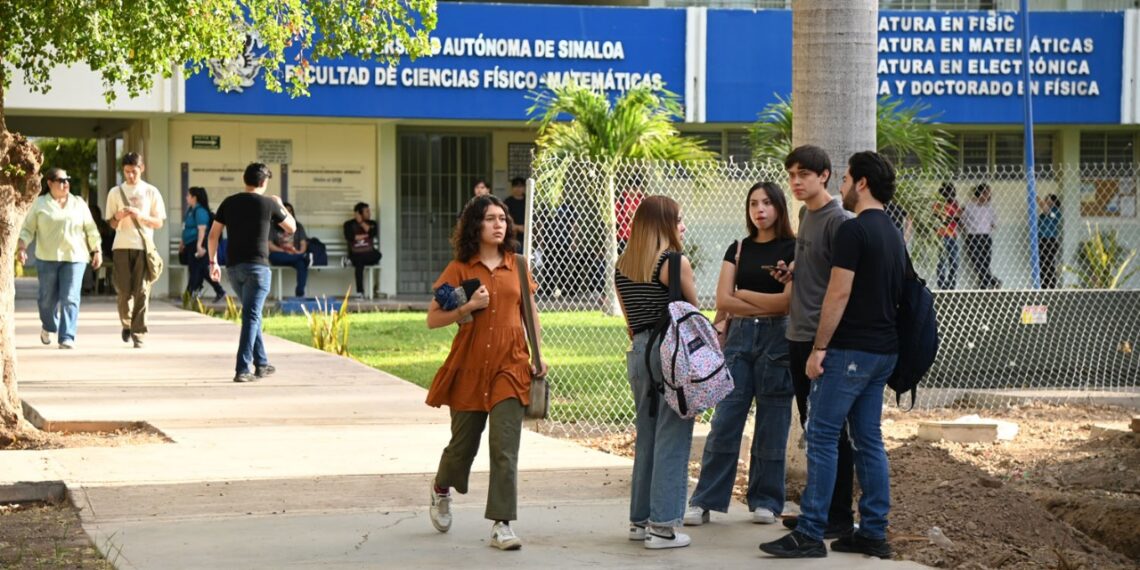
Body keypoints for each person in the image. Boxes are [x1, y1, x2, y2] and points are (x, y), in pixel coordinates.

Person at [760, 151, 905, 559]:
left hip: (849, 352)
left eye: (844, 179)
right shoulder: (892, 232)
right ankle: (873, 532)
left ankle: (810, 531)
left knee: (822, 435)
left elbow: (838, 293)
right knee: (868, 440)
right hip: (883, 351)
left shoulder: (852, 231)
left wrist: (819, 348)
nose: (841, 187)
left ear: (861, 183)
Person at [425, 194, 548, 551]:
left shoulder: (518, 264)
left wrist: (538, 354)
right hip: (469, 365)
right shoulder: (460, 269)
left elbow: (530, 312)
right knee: (462, 447)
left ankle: (502, 523)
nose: (500, 224)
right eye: (491, 218)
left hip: (510, 365)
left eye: (503, 219)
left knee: (504, 447)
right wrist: (469, 304)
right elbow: (433, 318)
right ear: (475, 225)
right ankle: (440, 487)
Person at [684, 182, 795, 527]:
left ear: (778, 206)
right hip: (740, 339)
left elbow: (786, 303)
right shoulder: (739, 249)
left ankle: (766, 500)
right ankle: (705, 500)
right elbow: (722, 300)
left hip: (779, 340)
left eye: (766, 203)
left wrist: (744, 294)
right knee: (726, 420)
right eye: (752, 204)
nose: (759, 209)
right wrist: (750, 301)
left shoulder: (794, 249)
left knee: (773, 422)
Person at [776, 145, 857, 540]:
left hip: (821, 341)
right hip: (797, 333)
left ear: (824, 175)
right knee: (814, 427)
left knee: (830, 432)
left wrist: (822, 346)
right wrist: (792, 269)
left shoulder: (839, 221)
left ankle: (839, 515)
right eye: (791, 174)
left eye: (803, 174)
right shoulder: (806, 214)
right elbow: (815, 265)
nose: (795, 181)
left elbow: (843, 286)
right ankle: (819, 509)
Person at [614, 195, 698, 549]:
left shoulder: (623, 265)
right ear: (664, 222)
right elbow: (692, 311)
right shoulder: (673, 262)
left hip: (639, 352)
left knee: (647, 435)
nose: (682, 225)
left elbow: (630, 321)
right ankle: (663, 526)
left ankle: (640, 520)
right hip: (669, 351)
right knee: (673, 436)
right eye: (678, 219)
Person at [208, 163, 295, 383]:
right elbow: (291, 228)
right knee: (252, 316)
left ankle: (262, 363)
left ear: (244, 179)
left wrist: (213, 262)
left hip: (234, 268)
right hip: (258, 268)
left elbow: (213, 236)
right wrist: (280, 205)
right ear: (264, 182)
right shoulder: (268, 204)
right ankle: (242, 369)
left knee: (251, 314)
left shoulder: (229, 202)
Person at [17, 168, 102, 349]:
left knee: (70, 297)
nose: (65, 184)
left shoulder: (78, 203)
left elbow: (91, 229)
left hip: (75, 257)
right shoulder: (39, 204)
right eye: (61, 180)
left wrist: (97, 250)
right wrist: (22, 247)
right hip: (47, 258)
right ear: (49, 183)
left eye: (67, 180)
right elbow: (27, 229)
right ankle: (49, 325)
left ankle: (67, 336)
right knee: (46, 300)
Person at [105, 152, 166, 348]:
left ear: (142, 169)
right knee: (124, 292)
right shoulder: (115, 193)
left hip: (143, 246)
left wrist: (141, 217)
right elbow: (112, 224)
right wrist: (119, 216)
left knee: (142, 291)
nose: (130, 176)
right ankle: (127, 323)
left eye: (134, 172)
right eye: (127, 172)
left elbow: (159, 222)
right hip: (121, 246)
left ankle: (138, 333)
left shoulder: (151, 192)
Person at [180, 186, 226, 302]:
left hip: (198, 243)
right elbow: (185, 228)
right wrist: (183, 242)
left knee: (195, 269)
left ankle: (189, 294)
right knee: (200, 269)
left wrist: (199, 246)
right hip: (190, 243)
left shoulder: (200, 211)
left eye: (188, 195)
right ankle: (218, 290)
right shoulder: (191, 210)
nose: (186, 198)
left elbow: (202, 229)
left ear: (194, 197)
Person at [268, 202, 311, 298]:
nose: (288, 213)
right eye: (285, 211)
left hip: (294, 255)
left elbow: (303, 243)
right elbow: (269, 245)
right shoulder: (272, 226)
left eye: (290, 211)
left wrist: (298, 252)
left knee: (302, 264)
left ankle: (300, 293)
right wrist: (284, 251)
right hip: (279, 255)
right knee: (302, 260)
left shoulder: (298, 226)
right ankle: (303, 257)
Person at [962, 183, 1000, 289]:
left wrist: (988, 226)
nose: (990, 196)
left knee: (985, 262)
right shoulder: (969, 206)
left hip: (986, 237)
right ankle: (991, 281)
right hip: (973, 237)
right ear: (981, 194)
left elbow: (994, 223)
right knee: (977, 261)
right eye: (988, 193)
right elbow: (962, 221)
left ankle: (984, 284)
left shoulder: (990, 208)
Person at [343, 202, 382, 299]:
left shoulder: (372, 223)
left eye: (369, 211)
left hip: (368, 254)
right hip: (356, 253)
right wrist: (365, 235)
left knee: (378, 255)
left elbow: (372, 233)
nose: (369, 213)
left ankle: (350, 261)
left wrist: (361, 223)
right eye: (367, 211)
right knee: (359, 263)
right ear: (359, 213)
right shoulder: (348, 224)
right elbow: (349, 237)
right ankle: (360, 293)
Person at [935, 182, 961, 290]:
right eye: (949, 193)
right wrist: (950, 218)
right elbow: (942, 219)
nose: (951, 195)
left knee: (954, 262)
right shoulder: (938, 204)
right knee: (942, 262)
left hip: (953, 236)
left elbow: (957, 218)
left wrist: (949, 218)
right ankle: (942, 285)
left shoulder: (955, 204)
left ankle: (951, 284)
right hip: (941, 236)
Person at [1038, 194, 1062, 289]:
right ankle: (1043, 285)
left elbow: (1047, 210)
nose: (1046, 202)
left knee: (1049, 263)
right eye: (1045, 200)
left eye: (1048, 201)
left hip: (1050, 240)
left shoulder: (1056, 211)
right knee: (1042, 264)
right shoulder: (1042, 215)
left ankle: (1052, 285)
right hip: (1041, 240)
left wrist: (1038, 199)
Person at [503, 177, 527, 253]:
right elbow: (505, 218)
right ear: (512, 188)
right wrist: (517, 227)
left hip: (528, 236)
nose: (518, 189)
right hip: (513, 237)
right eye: (516, 186)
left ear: (524, 188)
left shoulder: (528, 201)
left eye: (521, 186)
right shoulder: (507, 202)